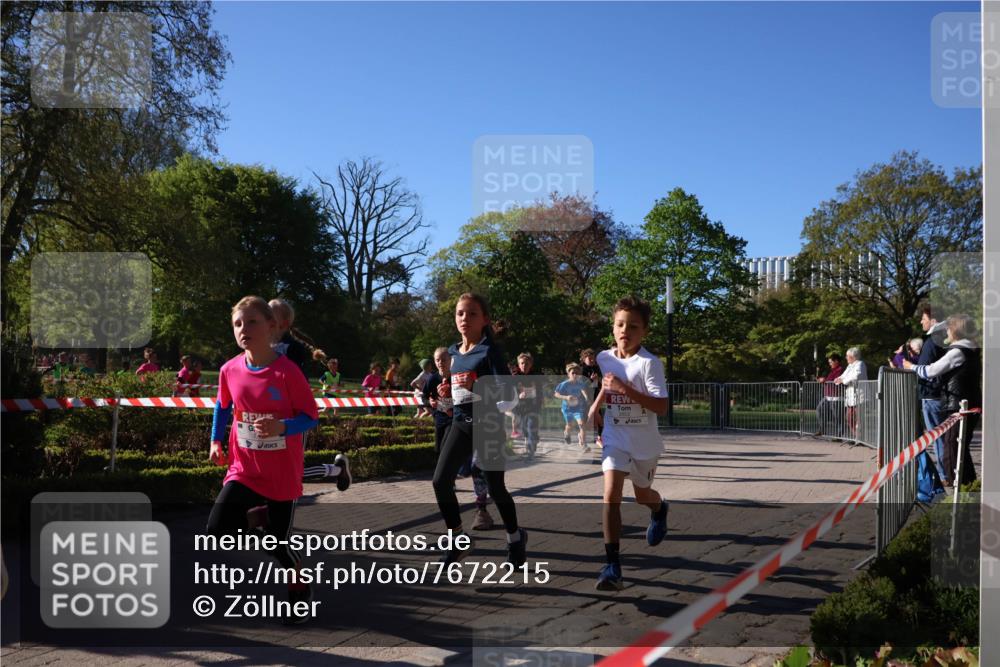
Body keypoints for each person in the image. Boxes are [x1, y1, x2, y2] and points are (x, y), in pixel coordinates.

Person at [205, 296, 321, 624]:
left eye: (252, 322)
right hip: (244, 467)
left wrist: (281, 426)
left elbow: (310, 416)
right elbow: (222, 406)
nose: (244, 329)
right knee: (217, 529)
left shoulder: (287, 372)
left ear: (271, 327)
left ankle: (300, 592)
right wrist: (216, 440)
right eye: (238, 324)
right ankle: (260, 524)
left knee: (280, 547)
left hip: (281, 472)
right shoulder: (229, 369)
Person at [431, 293, 526, 565]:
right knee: (440, 481)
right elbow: (454, 397)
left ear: (484, 320)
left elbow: (510, 396)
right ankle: (458, 539)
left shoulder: (489, 352)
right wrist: (445, 393)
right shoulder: (451, 352)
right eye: (461, 313)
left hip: (489, 426)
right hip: (461, 423)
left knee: (496, 489)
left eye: (472, 314)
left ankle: (515, 538)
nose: (465, 319)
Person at [587, 296, 669, 591]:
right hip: (615, 438)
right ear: (613, 328)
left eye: (633, 326)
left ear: (644, 331)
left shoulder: (649, 364)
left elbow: (661, 407)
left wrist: (625, 390)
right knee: (611, 494)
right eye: (620, 324)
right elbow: (608, 382)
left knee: (643, 495)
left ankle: (659, 509)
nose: (626, 330)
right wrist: (596, 405)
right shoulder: (603, 357)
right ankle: (612, 566)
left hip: (644, 444)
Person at [904, 314, 980, 486]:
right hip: (966, 403)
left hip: (959, 405)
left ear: (956, 330)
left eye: (949, 327)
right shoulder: (969, 349)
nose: (946, 330)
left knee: (951, 451)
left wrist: (911, 367)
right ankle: (970, 487)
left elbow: (931, 371)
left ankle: (959, 492)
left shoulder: (958, 351)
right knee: (961, 450)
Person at [914, 303, 951, 483]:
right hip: (938, 395)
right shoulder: (943, 338)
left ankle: (945, 475)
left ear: (933, 320)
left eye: (924, 318)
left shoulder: (933, 340)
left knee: (938, 438)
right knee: (942, 438)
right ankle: (948, 473)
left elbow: (926, 369)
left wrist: (910, 366)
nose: (921, 321)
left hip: (932, 396)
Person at [269, 298, 311, 376]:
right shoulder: (260, 344)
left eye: (270, 316)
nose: (265, 318)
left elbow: (299, 378)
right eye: (265, 314)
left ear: (284, 324)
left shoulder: (294, 348)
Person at [555, 363, 591, 453]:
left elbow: (583, 390)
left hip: (578, 407)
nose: (575, 375)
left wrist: (586, 397)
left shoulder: (580, 383)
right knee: (569, 425)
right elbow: (556, 394)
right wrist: (566, 397)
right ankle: (566, 433)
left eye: (577, 373)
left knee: (582, 424)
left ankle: (583, 445)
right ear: (568, 374)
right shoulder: (564, 384)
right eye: (573, 373)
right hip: (567, 408)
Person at [514, 352, 543, 459]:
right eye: (522, 363)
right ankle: (533, 437)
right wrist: (518, 395)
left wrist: (539, 401)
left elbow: (540, 391)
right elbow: (509, 392)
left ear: (530, 364)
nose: (524, 366)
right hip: (520, 407)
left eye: (526, 363)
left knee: (531, 426)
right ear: (518, 364)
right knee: (524, 428)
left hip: (533, 406)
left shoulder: (535, 376)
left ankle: (531, 451)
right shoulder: (515, 376)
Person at [834, 347, 867, 438]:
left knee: (859, 419)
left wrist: (843, 381)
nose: (846, 358)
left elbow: (856, 376)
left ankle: (860, 438)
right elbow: (844, 375)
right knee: (849, 417)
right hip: (850, 397)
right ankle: (856, 436)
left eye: (847, 356)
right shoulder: (850, 366)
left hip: (859, 396)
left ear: (852, 356)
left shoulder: (860, 364)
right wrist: (838, 379)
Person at [814, 353, 845, 437]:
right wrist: (822, 380)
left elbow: (836, 381)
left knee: (837, 417)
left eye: (831, 362)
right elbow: (828, 380)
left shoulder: (840, 370)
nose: (829, 363)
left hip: (837, 397)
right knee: (819, 410)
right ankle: (822, 430)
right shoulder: (832, 370)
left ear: (836, 361)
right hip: (828, 396)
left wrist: (824, 380)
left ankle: (839, 435)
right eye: (829, 362)